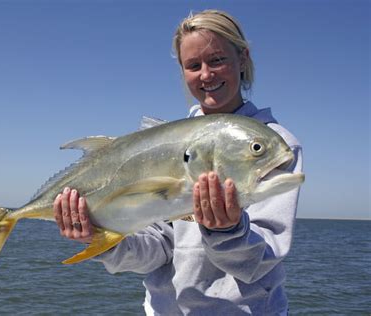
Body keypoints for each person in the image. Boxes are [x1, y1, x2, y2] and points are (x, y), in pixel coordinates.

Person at [53, 9, 303, 315]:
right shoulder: (170, 145)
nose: (206, 75)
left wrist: (227, 231)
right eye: (193, 65)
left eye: (217, 60)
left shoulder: (276, 145)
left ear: (243, 58)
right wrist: (99, 237)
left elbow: (259, 262)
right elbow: (157, 250)